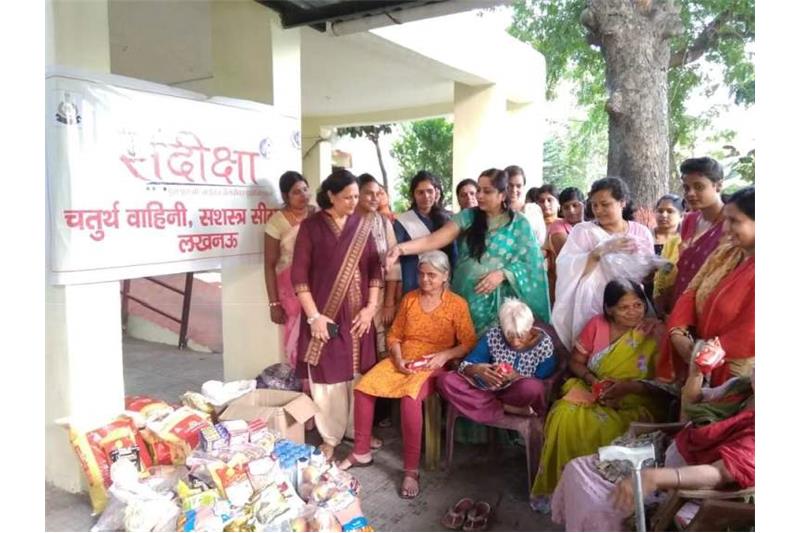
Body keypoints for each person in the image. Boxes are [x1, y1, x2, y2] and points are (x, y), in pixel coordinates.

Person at [550, 363, 755, 531]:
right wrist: (696, 372)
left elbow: (721, 472)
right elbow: (691, 404)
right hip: (667, 450)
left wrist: (653, 478)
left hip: (685, 487)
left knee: (601, 508)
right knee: (575, 469)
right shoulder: (741, 388)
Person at [340, 251, 477, 499]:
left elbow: (468, 342)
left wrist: (445, 356)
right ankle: (361, 451)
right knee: (363, 387)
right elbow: (394, 335)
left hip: (433, 363)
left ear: (445, 276)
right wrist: (398, 356)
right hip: (403, 358)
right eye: (421, 274)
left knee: (410, 398)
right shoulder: (410, 300)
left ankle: (411, 470)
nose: (425, 280)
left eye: (432, 276)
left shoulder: (457, 304)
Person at [531, 279, 669, 507]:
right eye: (624, 308)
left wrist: (630, 387)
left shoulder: (654, 331)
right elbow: (576, 362)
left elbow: (668, 384)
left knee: (611, 427)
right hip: (593, 390)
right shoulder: (597, 325)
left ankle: (602, 496)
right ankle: (564, 490)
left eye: (638, 305)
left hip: (637, 397)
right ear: (609, 309)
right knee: (563, 416)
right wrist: (593, 381)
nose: (634, 313)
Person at [386, 168, 551, 337]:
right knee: (463, 346)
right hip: (466, 296)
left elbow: (532, 264)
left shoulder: (519, 224)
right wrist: (400, 249)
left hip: (501, 301)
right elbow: (433, 240)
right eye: (478, 189)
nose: (479, 195)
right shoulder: (468, 217)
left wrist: (504, 273)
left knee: (495, 351)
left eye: (487, 191)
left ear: (502, 195)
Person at [292, 170, 383, 459]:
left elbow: (374, 271)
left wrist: (370, 309)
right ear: (331, 195)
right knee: (328, 378)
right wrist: (314, 317)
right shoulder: (311, 227)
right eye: (347, 197)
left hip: (359, 318)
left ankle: (359, 433)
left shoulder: (362, 224)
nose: (353, 202)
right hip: (325, 317)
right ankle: (330, 436)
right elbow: (299, 277)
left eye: (357, 196)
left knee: (359, 375)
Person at [657, 187, 754, 387]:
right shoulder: (725, 253)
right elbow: (691, 292)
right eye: (725, 219)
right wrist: (678, 331)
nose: (725, 228)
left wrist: (707, 351)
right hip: (699, 355)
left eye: (734, 221)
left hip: (737, 371)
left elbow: (753, 330)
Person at [551, 177, 656, 349]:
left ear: (622, 202)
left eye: (605, 204)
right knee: (592, 351)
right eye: (594, 205)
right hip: (592, 304)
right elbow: (565, 267)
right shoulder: (583, 231)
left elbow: (646, 274)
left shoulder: (641, 232)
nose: (598, 210)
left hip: (629, 303)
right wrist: (599, 252)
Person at [437, 298, 558, 423]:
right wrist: (478, 370)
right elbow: (466, 365)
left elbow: (543, 382)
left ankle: (486, 406)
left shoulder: (543, 344)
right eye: (509, 335)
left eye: (521, 336)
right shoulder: (494, 335)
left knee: (532, 388)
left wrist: (516, 377)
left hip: (514, 395)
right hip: (485, 390)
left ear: (530, 328)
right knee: (445, 381)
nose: (515, 342)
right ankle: (505, 408)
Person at [264, 171, 317, 369]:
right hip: (289, 288)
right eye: (296, 192)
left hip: (317, 283)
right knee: (296, 338)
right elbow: (269, 265)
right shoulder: (277, 222)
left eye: (305, 189)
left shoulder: (317, 214)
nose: (303, 195)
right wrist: (273, 303)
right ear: (286, 196)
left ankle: (316, 384)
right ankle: (300, 384)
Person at [659, 157, 726, 313]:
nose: (690, 193)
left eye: (699, 187)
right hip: (681, 301)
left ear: (718, 185)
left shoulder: (731, 224)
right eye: (686, 187)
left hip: (710, 307)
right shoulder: (689, 220)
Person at [357, 174, 402, 358]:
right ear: (356, 194)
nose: (375, 198)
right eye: (369, 193)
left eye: (378, 193)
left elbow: (394, 265)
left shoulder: (383, 223)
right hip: (351, 294)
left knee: (379, 344)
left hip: (380, 295)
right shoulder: (345, 221)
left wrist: (389, 303)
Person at [394, 171, 457, 295]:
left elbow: (454, 256)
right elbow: (396, 261)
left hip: (441, 286)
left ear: (436, 192)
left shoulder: (447, 221)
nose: (426, 196)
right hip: (413, 283)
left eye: (429, 191)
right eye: (420, 192)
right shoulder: (402, 222)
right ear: (413, 195)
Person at [650, 194, 684, 306]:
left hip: (674, 295)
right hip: (645, 293)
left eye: (670, 211)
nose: (664, 215)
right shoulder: (646, 236)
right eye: (660, 211)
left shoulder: (684, 240)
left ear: (681, 215)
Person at [505, 165, 547, 246]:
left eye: (518, 186)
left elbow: (541, 240)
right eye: (510, 185)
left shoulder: (533, 210)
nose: (514, 190)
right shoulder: (495, 211)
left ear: (523, 186)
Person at [534, 184, 562, 305]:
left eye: (550, 200)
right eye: (541, 201)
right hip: (538, 278)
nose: (545, 204)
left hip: (560, 277)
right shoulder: (531, 226)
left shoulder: (565, 226)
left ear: (558, 204)